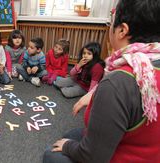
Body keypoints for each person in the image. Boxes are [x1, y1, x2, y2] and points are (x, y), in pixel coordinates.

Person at [43, 0, 160, 162]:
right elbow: (73, 74)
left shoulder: (117, 81)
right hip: (146, 150)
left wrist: (68, 147)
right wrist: (95, 92)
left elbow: (93, 157)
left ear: (122, 30)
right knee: (71, 135)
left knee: (51, 154)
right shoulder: (151, 63)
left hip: (121, 156)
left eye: (111, 22)